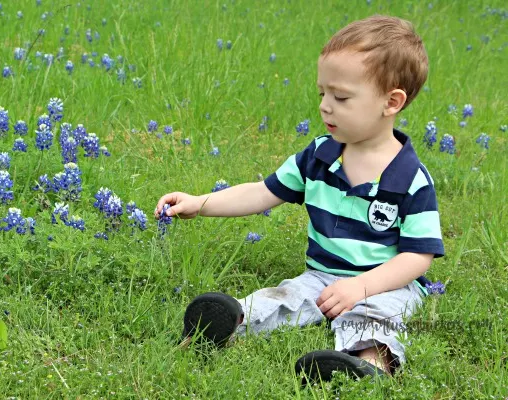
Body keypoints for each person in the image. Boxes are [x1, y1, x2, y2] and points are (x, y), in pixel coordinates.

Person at [154, 14, 444, 385]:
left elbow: (418, 257)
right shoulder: (319, 156)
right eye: (322, 93)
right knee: (285, 295)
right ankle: (226, 323)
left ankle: (366, 368)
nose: (325, 106)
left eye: (340, 97)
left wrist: (362, 286)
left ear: (391, 102)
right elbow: (262, 193)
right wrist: (202, 202)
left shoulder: (412, 180)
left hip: (387, 283)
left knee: (375, 316)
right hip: (321, 275)